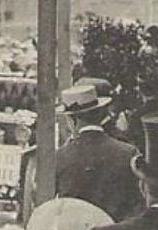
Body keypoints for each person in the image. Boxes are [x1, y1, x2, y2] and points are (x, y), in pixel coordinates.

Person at [56, 82, 143, 222]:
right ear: (100, 113)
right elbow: (138, 201)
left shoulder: (60, 156)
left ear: (72, 119)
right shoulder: (128, 152)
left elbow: (50, 207)